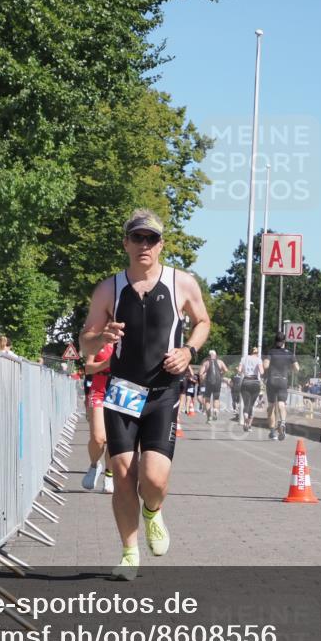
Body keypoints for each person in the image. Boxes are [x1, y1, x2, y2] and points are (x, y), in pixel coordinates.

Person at [80, 209, 210, 580]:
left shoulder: (181, 283)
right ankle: (129, 553)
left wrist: (189, 351)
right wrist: (100, 338)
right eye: (137, 237)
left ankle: (152, 512)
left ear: (161, 245)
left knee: (153, 479)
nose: (144, 245)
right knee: (122, 474)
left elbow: (203, 321)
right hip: (122, 391)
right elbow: (85, 338)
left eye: (151, 239)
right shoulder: (109, 288)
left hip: (163, 392)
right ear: (125, 242)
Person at [81, 343, 115, 493]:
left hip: (121, 389)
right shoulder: (97, 340)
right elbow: (88, 368)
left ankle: (109, 474)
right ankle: (94, 465)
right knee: (98, 438)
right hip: (99, 387)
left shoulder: (128, 338)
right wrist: (107, 363)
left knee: (114, 439)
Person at [263, 333, 299, 440]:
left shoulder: (271, 352)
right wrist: (289, 367)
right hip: (283, 381)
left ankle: (272, 431)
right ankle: (283, 423)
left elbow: (265, 366)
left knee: (271, 407)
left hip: (272, 381)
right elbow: (297, 368)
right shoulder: (289, 353)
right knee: (281, 404)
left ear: (275, 341)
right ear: (284, 342)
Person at [237, 346, 263, 433]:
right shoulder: (258, 360)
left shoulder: (244, 359)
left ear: (250, 352)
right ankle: (249, 424)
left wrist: (243, 371)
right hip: (255, 382)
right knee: (252, 404)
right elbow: (262, 372)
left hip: (246, 381)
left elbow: (239, 370)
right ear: (256, 353)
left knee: (246, 404)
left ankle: (245, 421)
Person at [199, 349, 227, 422]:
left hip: (209, 382)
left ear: (209, 356)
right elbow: (226, 370)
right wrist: (221, 374)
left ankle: (209, 417)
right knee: (216, 399)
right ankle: (215, 410)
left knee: (207, 400)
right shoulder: (220, 362)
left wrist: (202, 379)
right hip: (218, 382)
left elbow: (201, 374)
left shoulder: (206, 363)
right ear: (216, 355)